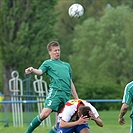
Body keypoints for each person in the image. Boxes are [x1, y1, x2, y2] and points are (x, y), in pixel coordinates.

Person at [25, 41, 78, 133]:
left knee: (60, 124)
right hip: (56, 92)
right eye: (55, 50)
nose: (57, 52)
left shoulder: (66, 65)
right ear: (50, 52)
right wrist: (32, 69)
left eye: (58, 50)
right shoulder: (48, 63)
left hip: (66, 95)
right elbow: (40, 72)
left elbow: (70, 82)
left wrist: (76, 98)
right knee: (44, 114)